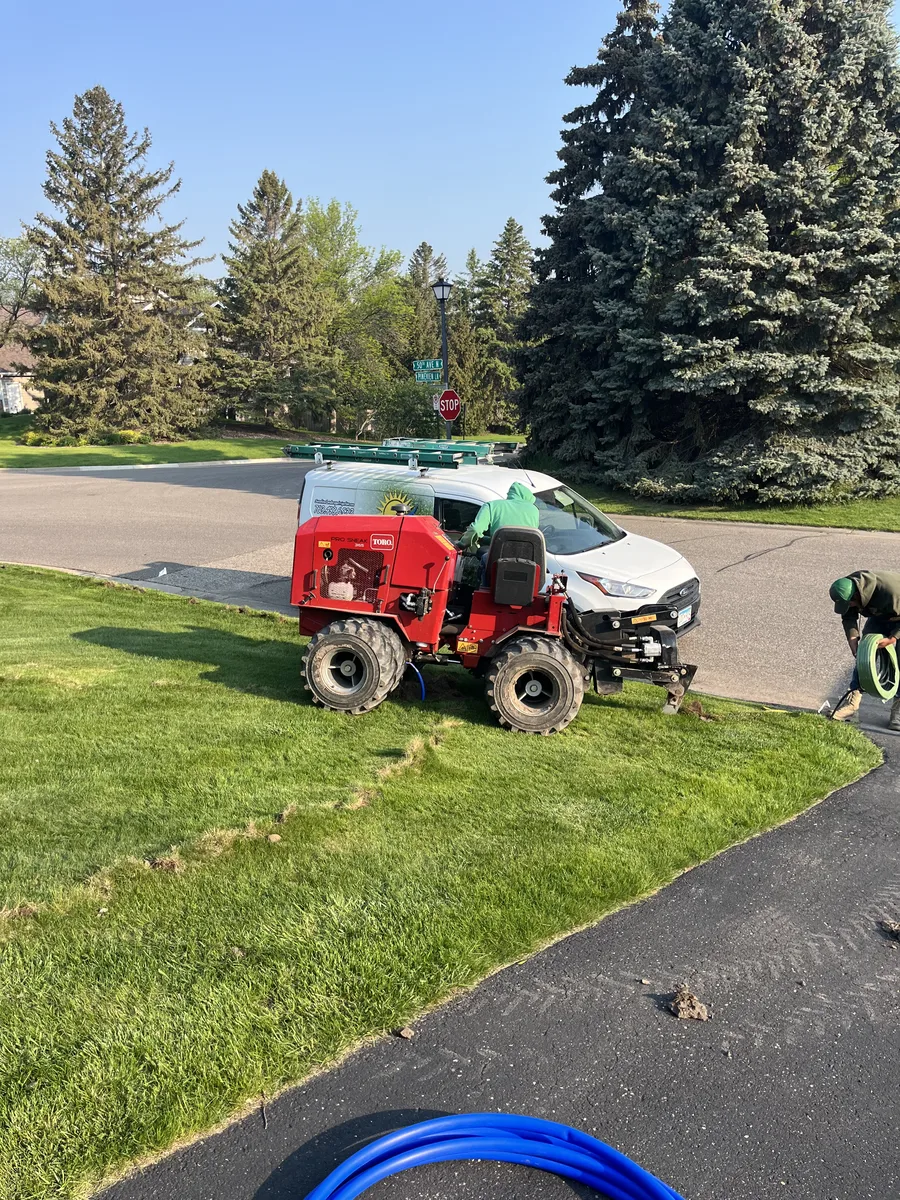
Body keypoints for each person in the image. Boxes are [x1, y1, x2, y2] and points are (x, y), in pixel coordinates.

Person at [830, 571, 900, 726]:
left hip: (897, 610)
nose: (849, 606)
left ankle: (898, 710)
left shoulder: (890, 592)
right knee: (865, 653)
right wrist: (853, 639)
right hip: (881, 613)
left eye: (850, 603)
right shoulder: (849, 592)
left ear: (857, 596)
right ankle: (852, 705)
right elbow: (848, 616)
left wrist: (892, 638)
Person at [458, 482, 541, 584]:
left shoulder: (491, 506)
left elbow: (475, 529)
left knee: (484, 559)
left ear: (510, 495)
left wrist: (462, 544)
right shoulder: (534, 510)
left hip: (498, 566)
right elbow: (520, 537)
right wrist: (485, 539)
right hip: (526, 567)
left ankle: (484, 588)